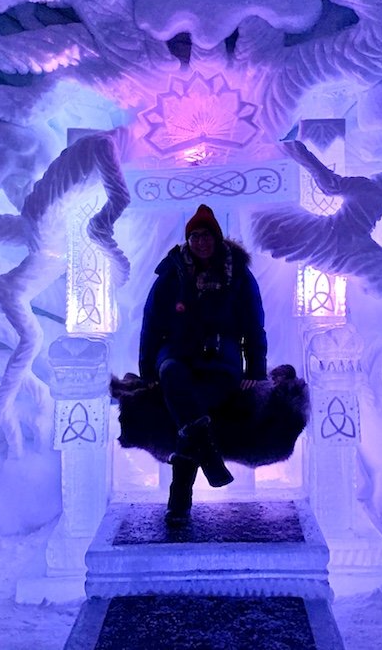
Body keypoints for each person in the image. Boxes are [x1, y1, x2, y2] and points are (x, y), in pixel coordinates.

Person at [139, 204, 268, 525]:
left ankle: (179, 501)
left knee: (192, 411)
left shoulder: (236, 274)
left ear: (217, 238)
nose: (200, 242)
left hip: (221, 357)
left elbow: (254, 323)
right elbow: (152, 322)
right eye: (194, 236)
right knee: (169, 373)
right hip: (177, 353)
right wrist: (146, 370)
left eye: (206, 235)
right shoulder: (172, 273)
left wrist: (255, 369)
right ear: (188, 240)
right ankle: (210, 462)